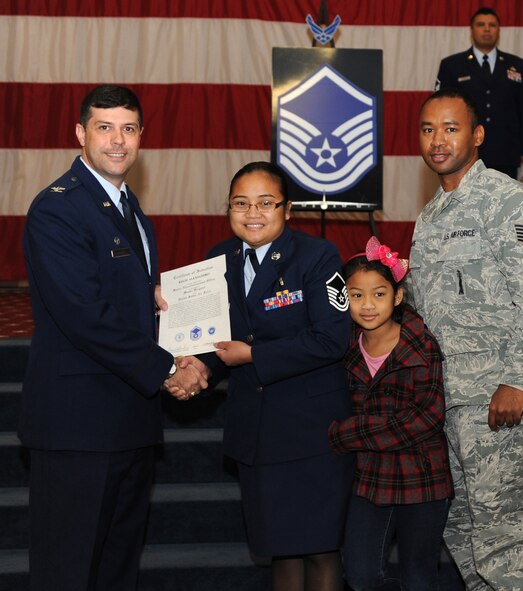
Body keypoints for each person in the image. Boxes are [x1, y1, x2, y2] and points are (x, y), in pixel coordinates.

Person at [21, 84, 209, 591]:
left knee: (115, 571)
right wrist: (170, 368)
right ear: (81, 133)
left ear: (141, 136)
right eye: (104, 128)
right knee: (68, 571)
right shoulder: (58, 209)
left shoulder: (128, 207)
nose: (118, 141)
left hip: (128, 420)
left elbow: (126, 302)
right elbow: (85, 317)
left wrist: (180, 337)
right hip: (77, 428)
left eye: (128, 129)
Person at [409, 88, 523, 590]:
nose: (437, 140)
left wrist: (515, 380)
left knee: (502, 536)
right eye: (428, 129)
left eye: (450, 128)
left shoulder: (506, 199)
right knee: (462, 532)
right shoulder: (429, 216)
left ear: (476, 135)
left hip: (494, 400)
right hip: (444, 401)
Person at [201, 162, 353, 591]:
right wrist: (194, 369)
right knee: (280, 550)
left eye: (266, 203)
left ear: (287, 210)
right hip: (256, 431)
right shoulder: (217, 259)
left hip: (311, 431)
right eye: (241, 203)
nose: (253, 212)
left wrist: (255, 354)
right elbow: (217, 342)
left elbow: (331, 338)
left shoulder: (318, 256)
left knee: (321, 549)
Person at [328, 236, 453, 591]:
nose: (368, 305)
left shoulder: (421, 343)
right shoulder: (343, 346)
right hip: (368, 478)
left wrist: (345, 433)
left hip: (422, 476)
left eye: (379, 294)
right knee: (361, 573)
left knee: (419, 575)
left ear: (397, 297)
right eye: (357, 295)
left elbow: (426, 419)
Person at [435, 6, 523, 179]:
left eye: (492, 25)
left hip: (506, 151)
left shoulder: (517, 65)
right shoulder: (452, 65)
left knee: (505, 203)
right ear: (472, 30)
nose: (487, 29)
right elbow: (442, 111)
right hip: (466, 150)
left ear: (499, 30)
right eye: (481, 24)